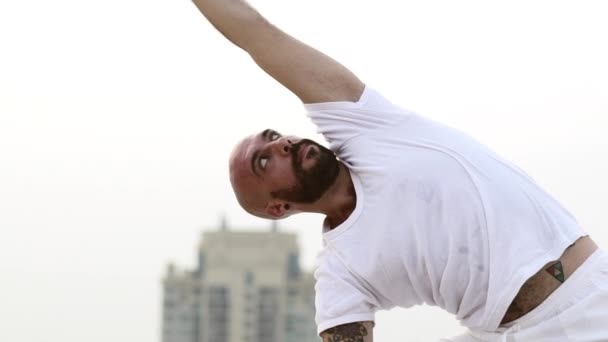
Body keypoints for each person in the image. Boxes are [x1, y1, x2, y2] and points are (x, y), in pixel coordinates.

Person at [190, 1, 608, 341]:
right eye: (264, 161)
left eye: (273, 136)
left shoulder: (367, 126)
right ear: (277, 207)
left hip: (592, 298)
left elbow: (256, 33)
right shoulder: (342, 270)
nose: (281, 144)